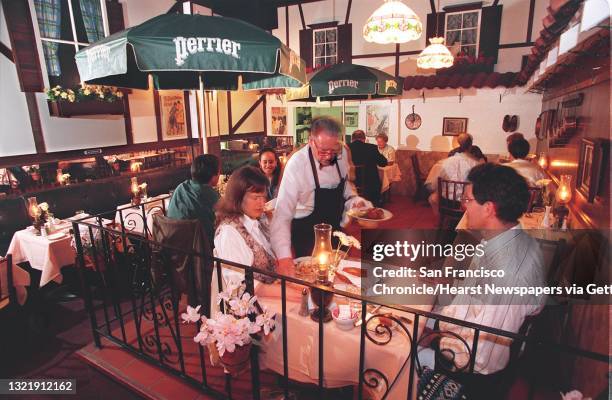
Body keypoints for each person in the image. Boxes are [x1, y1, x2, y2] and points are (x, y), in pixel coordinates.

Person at [420, 164, 545, 388]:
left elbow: (476, 355)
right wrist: (450, 286)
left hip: (468, 373)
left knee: (385, 350)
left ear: (489, 208)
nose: (462, 205)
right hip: (459, 332)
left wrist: (434, 340)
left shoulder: (507, 270)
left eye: (467, 200)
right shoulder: (505, 239)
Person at [271, 117, 370, 271]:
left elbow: (345, 186)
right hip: (306, 235)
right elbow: (282, 214)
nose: (329, 156)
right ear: (311, 141)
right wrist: (284, 257)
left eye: (333, 150)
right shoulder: (297, 164)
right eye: (323, 151)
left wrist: (354, 201)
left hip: (336, 231)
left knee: (341, 279)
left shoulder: (342, 152)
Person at [214, 166, 276, 284]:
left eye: (264, 197)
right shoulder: (229, 233)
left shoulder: (254, 221)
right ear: (238, 197)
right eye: (256, 197)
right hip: (256, 298)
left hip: (274, 287)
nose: (262, 203)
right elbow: (239, 285)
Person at [167, 154, 220, 245]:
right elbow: (224, 220)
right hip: (200, 250)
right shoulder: (210, 195)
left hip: (172, 245)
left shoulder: (181, 187)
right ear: (213, 175)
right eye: (219, 171)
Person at [426, 133, 480, 214]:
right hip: (466, 201)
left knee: (432, 197)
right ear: (470, 145)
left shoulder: (445, 162)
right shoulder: (476, 164)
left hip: (446, 201)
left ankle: (442, 219)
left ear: (459, 144)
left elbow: (432, 184)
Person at [348, 130, 388, 205]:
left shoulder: (346, 148)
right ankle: (375, 206)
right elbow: (383, 163)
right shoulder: (372, 148)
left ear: (352, 139)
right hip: (369, 186)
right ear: (364, 139)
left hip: (350, 183)